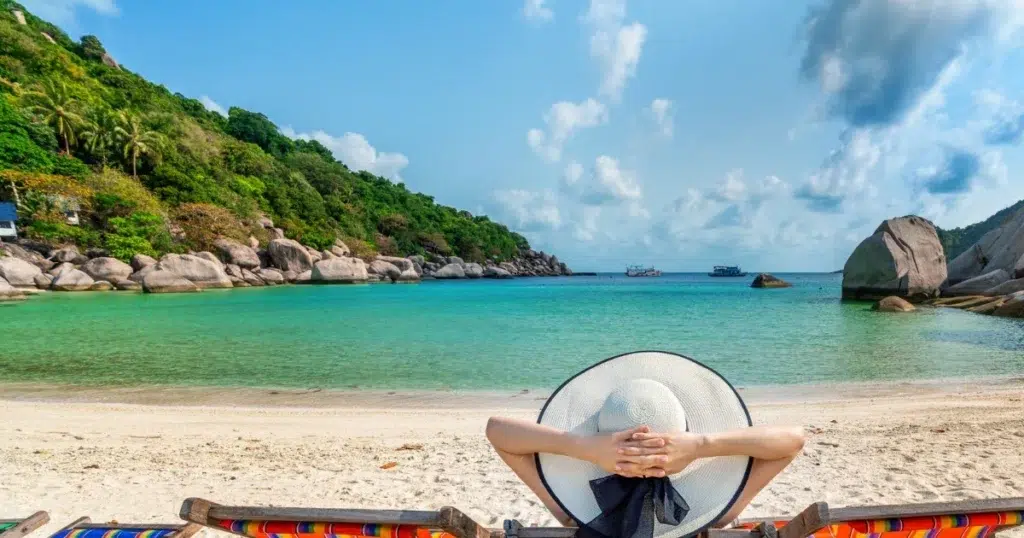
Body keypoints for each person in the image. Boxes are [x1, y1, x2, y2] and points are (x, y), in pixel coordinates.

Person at [486, 417, 805, 527]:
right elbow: (793, 440)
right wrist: (701, 445)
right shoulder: (709, 515)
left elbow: (496, 430)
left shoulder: (578, 514)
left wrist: (584, 446)